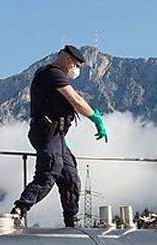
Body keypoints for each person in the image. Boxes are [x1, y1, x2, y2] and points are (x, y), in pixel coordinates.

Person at [10, 45, 109, 227]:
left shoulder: (56, 76)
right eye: (77, 65)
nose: (77, 70)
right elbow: (75, 100)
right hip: (47, 132)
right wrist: (95, 118)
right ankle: (19, 210)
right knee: (49, 171)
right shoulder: (51, 74)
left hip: (57, 135)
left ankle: (71, 221)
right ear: (68, 60)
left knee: (70, 176)